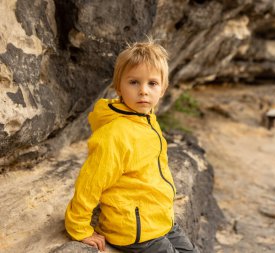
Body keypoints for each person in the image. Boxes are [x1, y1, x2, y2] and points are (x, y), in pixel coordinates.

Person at [65, 39, 199, 253]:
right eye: (134, 82)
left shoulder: (147, 119)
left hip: (159, 220)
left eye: (152, 83)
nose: (143, 91)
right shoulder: (115, 134)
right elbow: (90, 182)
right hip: (134, 231)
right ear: (118, 86)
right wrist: (80, 228)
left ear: (163, 89)